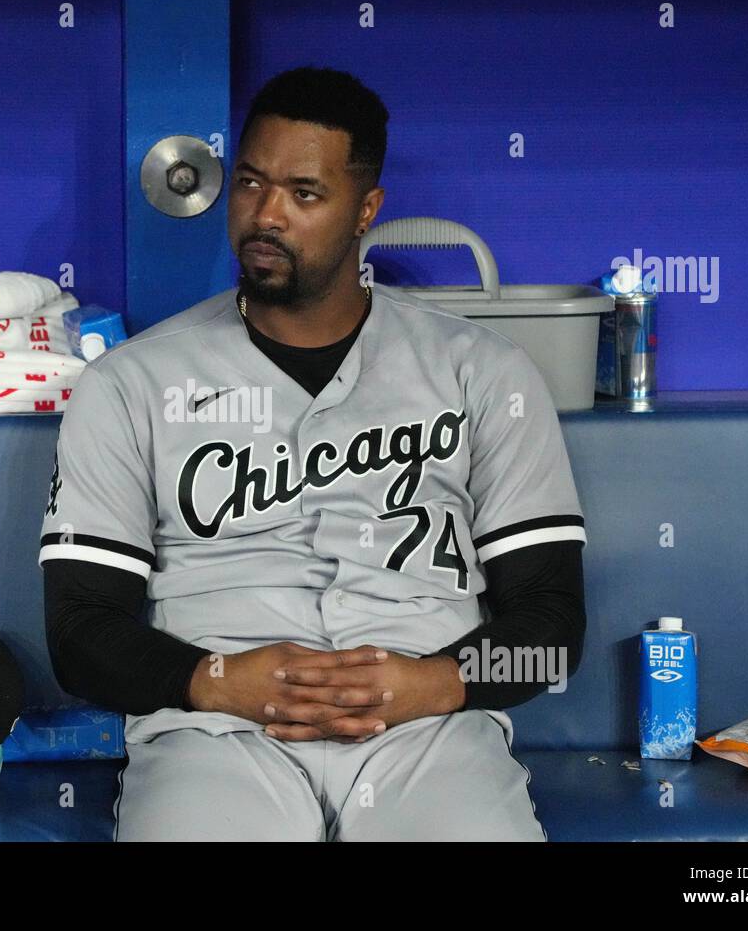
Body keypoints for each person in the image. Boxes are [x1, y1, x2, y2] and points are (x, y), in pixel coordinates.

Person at [39, 66, 587, 841]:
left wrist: (436, 682)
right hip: (214, 738)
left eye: (304, 194)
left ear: (366, 209)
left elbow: (553, 636)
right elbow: (78, 635)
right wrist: (211, 680)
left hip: (428, 735)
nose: (266, 215)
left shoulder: (484, 372)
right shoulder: (131, 383)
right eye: (252, 183)